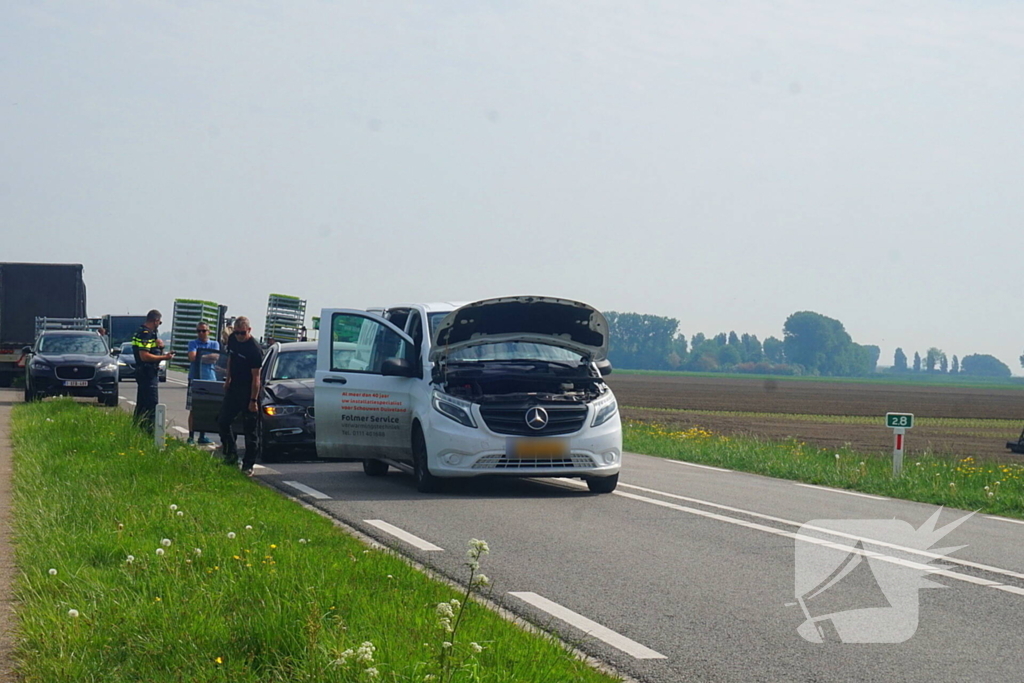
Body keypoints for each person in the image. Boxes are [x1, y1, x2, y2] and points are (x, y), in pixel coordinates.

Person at [218, 316, 263, 475]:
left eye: (242, 333)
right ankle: (231, 455)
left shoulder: (254, 350)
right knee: (223, 421)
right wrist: (228, 379)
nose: (239, 336)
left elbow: (256, 377)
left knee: (250, 430)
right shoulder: (232, 340)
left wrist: (253, 400)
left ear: (249, 331)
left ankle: (248, 464)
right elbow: (231, 359)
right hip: (234, 387)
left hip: (249, 389)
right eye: (236, 333)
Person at [131, 310, 174, 433]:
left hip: (145, 371)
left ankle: (138, 430)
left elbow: (150, 351)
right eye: (159, 322)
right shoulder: (145, 334)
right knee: (151, 404)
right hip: (147, 372)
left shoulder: (143, 332)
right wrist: (164, 358)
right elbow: (144, 356)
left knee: (142, 404)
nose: (159, 325)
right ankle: (149, 431)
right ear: (155, 321)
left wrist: (160, 348)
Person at [186, 322, 220, 444]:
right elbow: (192, 357)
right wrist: (206, 357)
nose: (201, 333)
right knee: (193, 408)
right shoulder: (193, 343)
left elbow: (216, 357)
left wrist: (200, 356)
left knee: (207, 409)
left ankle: (202, 435)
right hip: (195, 378)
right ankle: (191, 436)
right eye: (199, 331)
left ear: (208, 332)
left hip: (209, 379)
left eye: (203, 331)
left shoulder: (214, 344)